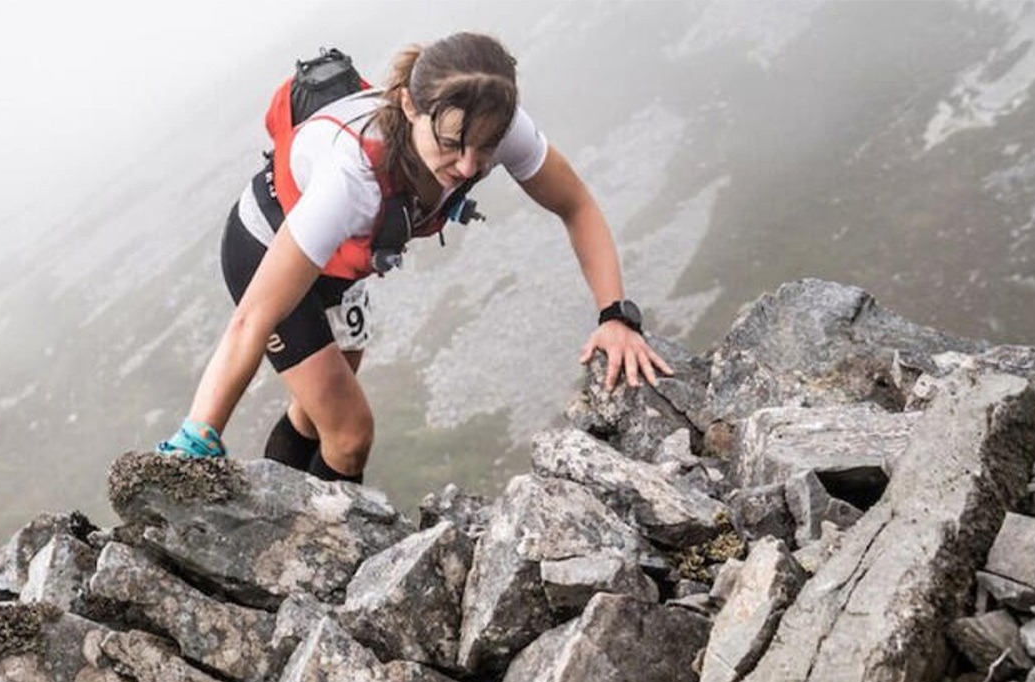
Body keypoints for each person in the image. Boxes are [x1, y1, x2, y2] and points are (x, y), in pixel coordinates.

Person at [157, 31, 671, 483]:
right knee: (351, 434)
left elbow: (575, 204)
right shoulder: (352, 178)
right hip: (265, 246)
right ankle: (313, 556)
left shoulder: (490, 121)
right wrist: (196, 440)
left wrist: (615, 316)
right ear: (408, 107)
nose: (468, 165)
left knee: (316, 415)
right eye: (451, 144)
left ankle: (283, 524)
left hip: (343, 264)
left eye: (485, 148)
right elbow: (252, 319)